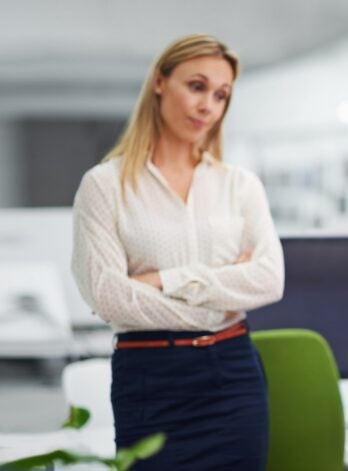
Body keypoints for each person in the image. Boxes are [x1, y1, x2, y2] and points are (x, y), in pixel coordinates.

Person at [71, 34, 284, 470]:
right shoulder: (104, 186)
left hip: (233, 375)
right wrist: (220, 295)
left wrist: (165, 281)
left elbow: (269, 279)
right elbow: (109, 297)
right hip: (150, 378)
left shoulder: (239, 185)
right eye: (197, 86)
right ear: (160, 82)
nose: (208, 104)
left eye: (221, 95)